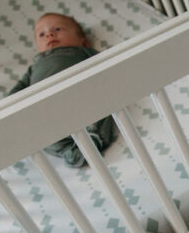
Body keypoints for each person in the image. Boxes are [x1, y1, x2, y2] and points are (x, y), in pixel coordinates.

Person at [9, 13, 115, 168]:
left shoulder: (80, 52)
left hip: (80, 99)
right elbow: (19, 88)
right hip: (46, 111)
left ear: (82, 41)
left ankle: (94, 138)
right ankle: (69, 150)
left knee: (106, 105)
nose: (49, 34)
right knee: (40, 134)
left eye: (58, 29)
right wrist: (10, 103)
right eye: (42, 34)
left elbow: (108, 64)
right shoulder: (35, 66)